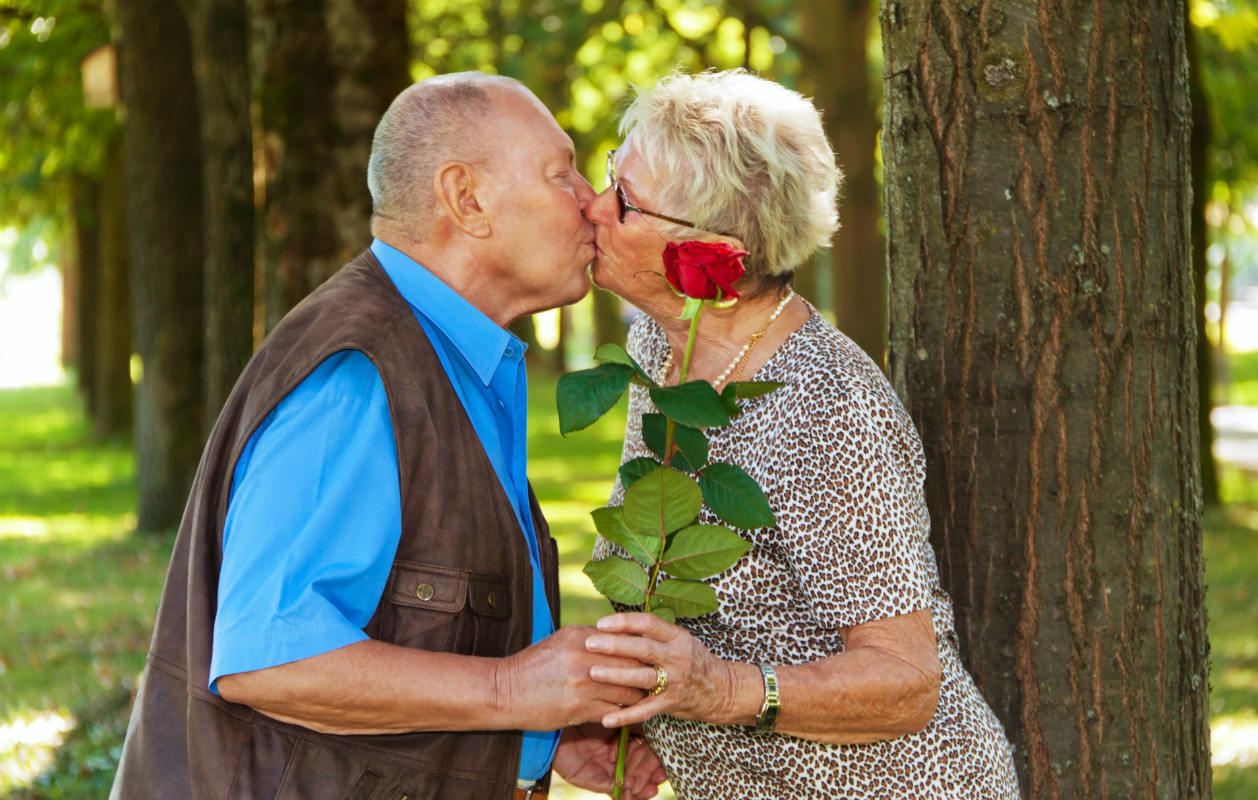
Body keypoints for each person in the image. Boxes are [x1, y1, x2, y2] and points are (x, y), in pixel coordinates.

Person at [110, 72, 666, 800]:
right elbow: (270, 657)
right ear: (467, 200)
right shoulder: (358, 375)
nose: (593, 203)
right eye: (561, 173)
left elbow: (412, 621)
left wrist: (538, 741)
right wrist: (509, 691)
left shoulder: (455, 355)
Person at [579, 69, 1022, 799]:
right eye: (608, 177)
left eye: (624, 202)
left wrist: (718, 689)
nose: (593, 207)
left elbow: (906, 682)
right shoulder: (665, 357)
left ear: (713, 257)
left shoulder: (829, 406)